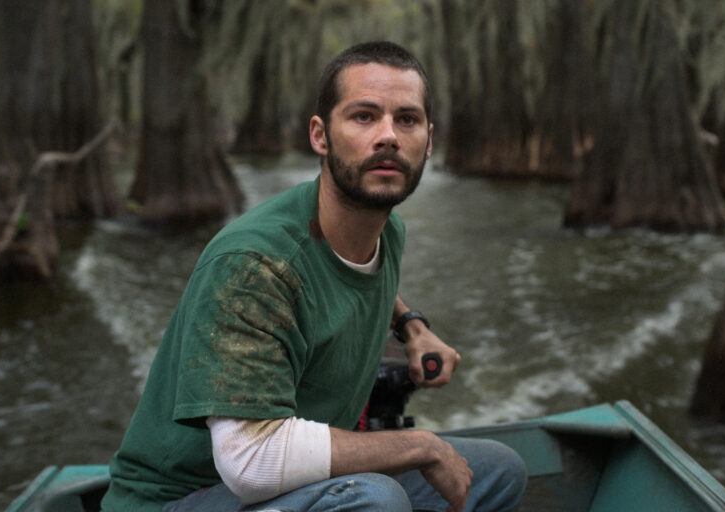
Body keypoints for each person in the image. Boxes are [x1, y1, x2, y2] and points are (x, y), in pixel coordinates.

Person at [101, 41, 527, 512]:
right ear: (320, 136)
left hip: (287, 488)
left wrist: (412, 326)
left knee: (498, 471)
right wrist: (420, 446)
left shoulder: (386, 232)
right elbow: (251, 462)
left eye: (406, 119)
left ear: (429, 140)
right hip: (181, 499)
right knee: (373, 499)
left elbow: (351, 277)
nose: (387, 135)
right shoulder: (253, 265)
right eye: (364, 116)